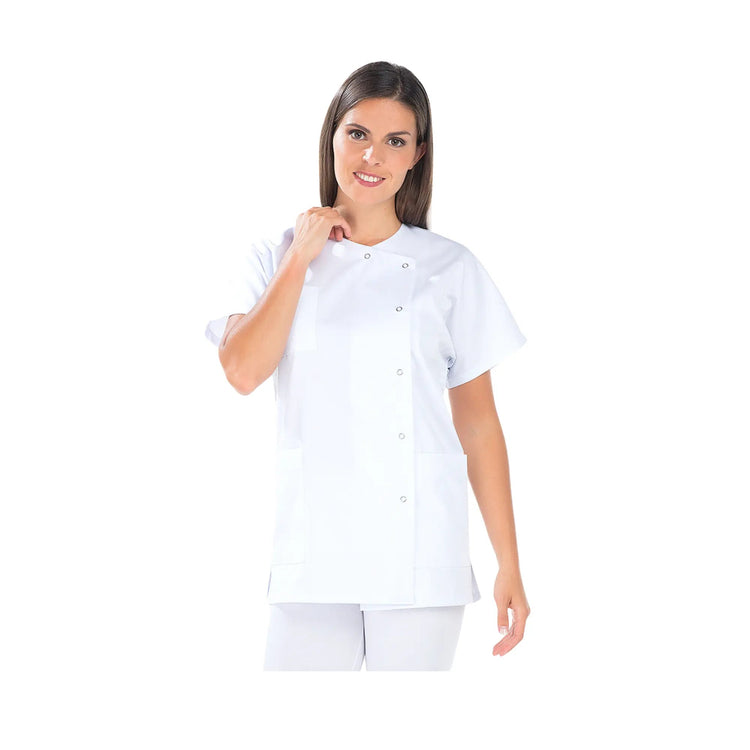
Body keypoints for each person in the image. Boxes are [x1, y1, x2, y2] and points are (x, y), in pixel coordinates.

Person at [204, 61, 531, 670]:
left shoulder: (450, 268)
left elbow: (479, 426)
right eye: (357, 133)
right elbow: (243, 371)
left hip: (419, 554)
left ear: (417, 155)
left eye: (395, 141)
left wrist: (508, 563)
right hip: (312, 550)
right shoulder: (272, 256)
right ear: (331, 135)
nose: (372, 156)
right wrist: (300, 257)